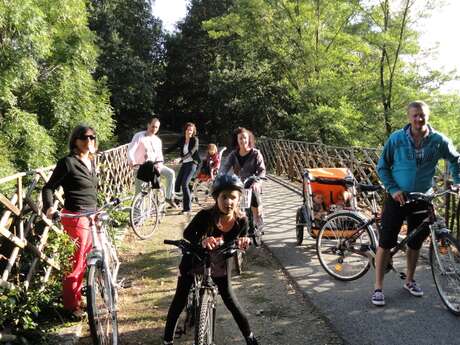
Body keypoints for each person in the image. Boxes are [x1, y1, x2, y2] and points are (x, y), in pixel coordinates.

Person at [372, 100, 460, 306]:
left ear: (427, 116)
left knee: (415, 243)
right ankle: (378, 287)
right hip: (398, 198)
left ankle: (410, 281)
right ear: (408, 117)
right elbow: (382, 167)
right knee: (386, 242)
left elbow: (456, 159)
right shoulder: (397, 139)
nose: (419, 118)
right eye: (415, 115)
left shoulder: (438, 140)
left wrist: (458, 181)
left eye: (422, 115)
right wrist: (393, 189)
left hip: (423, 198)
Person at [163, 174, 258, 345]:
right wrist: (202, 240)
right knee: (180, 297)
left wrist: (244, 242)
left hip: (221, 260)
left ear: (239, 199)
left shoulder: (241, 221)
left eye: (233, 197)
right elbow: (187, 234)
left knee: (230, 300)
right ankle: (167, 340)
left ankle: (250, 338)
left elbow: (242, 239)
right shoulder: (205, 216)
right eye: (224, 197)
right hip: (195, 257)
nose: (228, 201)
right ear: (216, 197)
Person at [42, 125, 98, 318]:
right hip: (75, 218)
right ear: (75, 140)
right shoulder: (67, 162)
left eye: (92, 137)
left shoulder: (90, 160)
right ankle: (71, 306)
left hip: (92, 216)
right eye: (84, 137)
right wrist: (50, 208)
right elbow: (48, 188)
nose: (89, 141)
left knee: (85, 262)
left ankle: (78, 297)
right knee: (75, 264)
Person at [127, 117, 177, 208]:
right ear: (148, 125)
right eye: (153, 126)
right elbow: (131, 150)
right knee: (140, 193)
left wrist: (160, 165)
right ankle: (137, 217)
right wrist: (132, 161)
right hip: (141, 167)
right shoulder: (139, 136)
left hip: (154, 166)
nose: (154, 129)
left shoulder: (157, 140)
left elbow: (159, 156)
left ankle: (169, 197)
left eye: (157, 127)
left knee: (171, 173)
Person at [221, 127, 266, 226]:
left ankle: (257, 217)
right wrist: (220, 177)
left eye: (245, 138)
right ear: (237, 140)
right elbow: (225, 167)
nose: (243, 140)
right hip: (238, 183)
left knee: (253, 192)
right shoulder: (233, 154)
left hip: (252, 182)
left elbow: (262, 170)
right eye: (240, 138)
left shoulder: (255, 153)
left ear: (249, 139)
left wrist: (258, 182)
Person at [165, 122, 201, 213]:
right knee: (177, 183)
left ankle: (187, 208)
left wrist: (180, 159)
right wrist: (161, 153)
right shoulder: (182, 139)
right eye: (188, 129)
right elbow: (172, 147)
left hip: (193, 163)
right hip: (185, 164)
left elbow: (191, 152)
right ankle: (177, 202)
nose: (189, 131)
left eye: (191, 130)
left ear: (193, 131)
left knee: (185, 184)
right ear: (185, 130)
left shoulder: (195, 140)